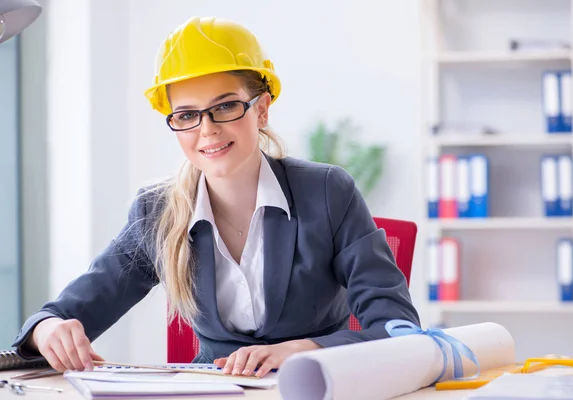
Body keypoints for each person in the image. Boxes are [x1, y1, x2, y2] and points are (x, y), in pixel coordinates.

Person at [12, 16, 420, 378]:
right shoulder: (157, 211)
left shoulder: (328, 191)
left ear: (261, 110)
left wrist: (304, 350)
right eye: (187, 115)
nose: (206, 129)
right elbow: (63, 315)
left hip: (318, 388)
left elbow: (397, 326)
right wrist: (46, 330)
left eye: (225, 107)